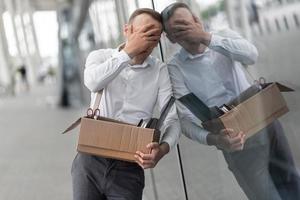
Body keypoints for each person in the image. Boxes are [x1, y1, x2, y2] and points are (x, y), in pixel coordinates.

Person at [162, 3, 300, 200]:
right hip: (236, 140)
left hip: (267, 120)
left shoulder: (221, 34)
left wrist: (205, 37)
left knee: (293, 185)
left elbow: (252, 55)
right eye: (178, 29)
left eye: (187, 23)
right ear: (171, 38)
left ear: (197, 20)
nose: (186, 30)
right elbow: (184, 120)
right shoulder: (175, 68)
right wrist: (215, 140)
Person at [71, 8, 180, 200]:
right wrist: (128, 53)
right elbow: (93, 82)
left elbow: (172, 118)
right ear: (127, 30)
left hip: (129, 167)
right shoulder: (100, 57)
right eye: (143, 33)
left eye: (153, 37)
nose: (147, 41)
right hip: (90, 160)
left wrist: (161, 150)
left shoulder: (159, 70)